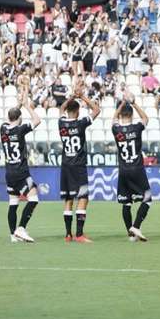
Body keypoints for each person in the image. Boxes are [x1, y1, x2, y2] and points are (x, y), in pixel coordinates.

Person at [58, 87, 100, 243]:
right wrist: (82, 96)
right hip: (79, 166)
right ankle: (80, 234)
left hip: (65, 165)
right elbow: (96, 110)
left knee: (68, 199)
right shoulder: (81, 123)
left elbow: (62, 108)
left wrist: (70, 97)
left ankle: (68, 234)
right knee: (83, 197)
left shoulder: (61, 123)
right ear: (77, 111)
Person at [0, 95, 42, 243]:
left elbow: (11, 117)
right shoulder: (20, 129)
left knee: (13, 203)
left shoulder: (3, 129)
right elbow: (37, 120)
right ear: (19, 117)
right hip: (21, 172)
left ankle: (13, 235)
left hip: (9, 173)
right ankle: (21, 228)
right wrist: (26, 105)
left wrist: (18, 105)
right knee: (34, 199)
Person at [112, 91, 151, 242]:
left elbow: (114, 118)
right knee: (147, 199)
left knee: (126, 202)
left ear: (121, 115)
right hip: (136, 169)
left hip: (123, 170)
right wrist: (133, 102)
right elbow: (146, 118)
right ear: (132, 115)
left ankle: (131, 234)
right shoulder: (136, 128)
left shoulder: (116, 130)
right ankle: (136, 226)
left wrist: (122, 103)